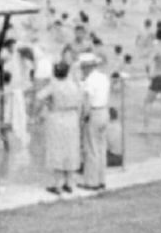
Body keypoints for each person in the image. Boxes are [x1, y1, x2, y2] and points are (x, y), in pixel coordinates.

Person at [41, 61, 83, 196]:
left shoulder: (53, 86)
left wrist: (48, 103)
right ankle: (69, 182)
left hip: (57, 116)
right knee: (71, 149)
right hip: (72, 117)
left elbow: (39, 96)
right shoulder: (74, 85)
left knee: (57, 149)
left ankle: (58, 183)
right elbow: (80, 101)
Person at [78, 53, 111, 191]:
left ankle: (91, 182)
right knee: (101, 147)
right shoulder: (103, 77)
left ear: (86, 67)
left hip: (94, 112)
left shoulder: (89, 81)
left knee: (91, 148)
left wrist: (83, 117)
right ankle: (101, 179)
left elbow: (87, 101)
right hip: (104, 111)